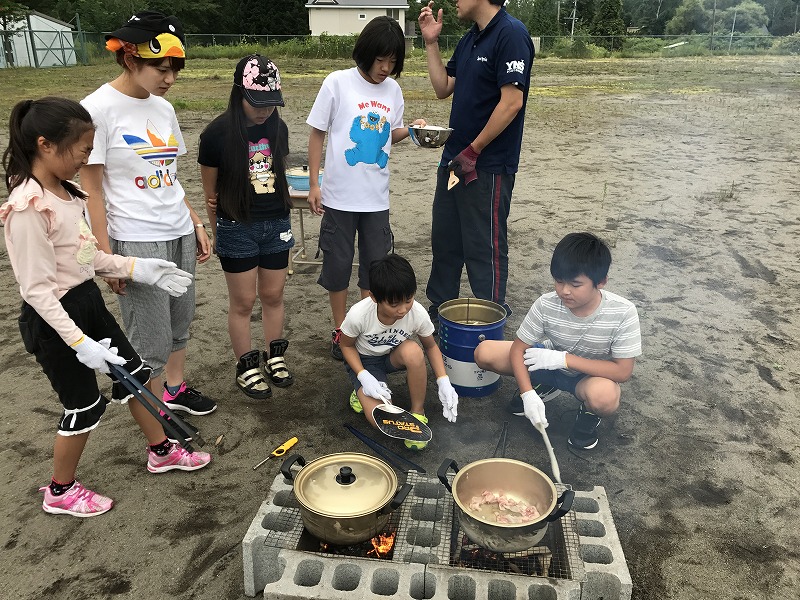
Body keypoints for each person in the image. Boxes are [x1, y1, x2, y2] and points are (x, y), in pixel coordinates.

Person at [1, 97, 212, 517]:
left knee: (135, 375)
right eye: (81, 150)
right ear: (45, 145)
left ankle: (161, 450)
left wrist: (137, 268)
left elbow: (87, 257)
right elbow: (38, 291)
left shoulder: (65, 192)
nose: (85, 159)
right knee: (83, 406)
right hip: (54, 320)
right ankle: (60, 490)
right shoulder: (28, 207)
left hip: (86, 302)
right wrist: (80, 343)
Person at [80, 11, 216, 421]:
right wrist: (106, 259)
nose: (170, 77)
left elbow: (168, 175)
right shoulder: (96, 110)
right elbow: (91, 192)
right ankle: (157, 422)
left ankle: (173, 390)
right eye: (162, 67)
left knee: (180, 322)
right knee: (148, 339)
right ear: (129, 59)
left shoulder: (163, 109)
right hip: (135, 239)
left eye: (176, 68)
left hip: (178, 230)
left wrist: (194, 221)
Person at [306, 15, 426, 360]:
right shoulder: (337, 83)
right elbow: (317, 132)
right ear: (365, 53)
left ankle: (367, 331)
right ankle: (341, 330)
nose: (386, 68)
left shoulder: (393, 90)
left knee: (375, 267)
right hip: (340, 197)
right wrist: (315, 182)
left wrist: (414, 131)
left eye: (392, 61)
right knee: (338, 266)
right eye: (380, 59)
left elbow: (392, 134)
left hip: (376, 198)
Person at [418, 1, 534, 328]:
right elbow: (443, 88)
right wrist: (431, 43)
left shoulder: (510, 34)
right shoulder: (470, 39)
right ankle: (441, 314)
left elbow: (512, 102)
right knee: (446, 241)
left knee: (485, 248)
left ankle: (490, 319)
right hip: (455, 163)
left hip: (487, 167)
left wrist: (475, 150)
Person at [474, 232, 642, 450]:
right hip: (547, 361)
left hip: (590, 375)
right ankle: (542, 386)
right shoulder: (547, 304)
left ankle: (589, 414)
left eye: (575, 284)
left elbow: (623, 372)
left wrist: (564, 360)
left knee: (604, 397)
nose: (564, 291)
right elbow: (518, 349)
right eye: (558, 281)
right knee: (484, 352)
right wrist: (527, 394)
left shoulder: (623, 312)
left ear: (601, 282)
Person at [199, 55, 294, 400]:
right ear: (238, 93)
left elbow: (277, 172)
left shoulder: (277, 129)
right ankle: (245, 364)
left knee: (273, 295)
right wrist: (218, 231)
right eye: (257, 103)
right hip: (236, 226)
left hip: (276, 223)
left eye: (271, 103)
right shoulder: (216, 134)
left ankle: (274, 355)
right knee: (243, 301)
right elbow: (210, 193)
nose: (264, 111)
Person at [339, 254, 459, 450]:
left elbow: (430, 346)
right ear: (374, 297)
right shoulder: (359, 314)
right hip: (365, 362)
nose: (403, 310)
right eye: (394, 304)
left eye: (408, 300)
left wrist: (443, 380)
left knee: (414, 351)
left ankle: (417, 412)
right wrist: (363, 376)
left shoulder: (417, 313)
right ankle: (360, 391)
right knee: (381, 418)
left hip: (392, 354)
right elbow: (346, 345)